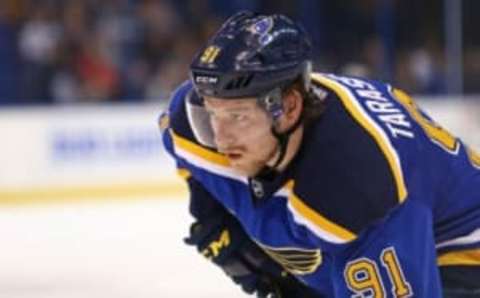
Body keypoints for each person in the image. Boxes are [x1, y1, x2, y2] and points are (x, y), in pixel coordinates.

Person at [159, 11, 480, 297]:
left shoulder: (356, 187)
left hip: (465, 251)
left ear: (288, 108)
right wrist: (209, 211)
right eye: (211, 115)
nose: (220, 137)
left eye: (238, 117)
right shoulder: (191, 122)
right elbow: (185, 148)